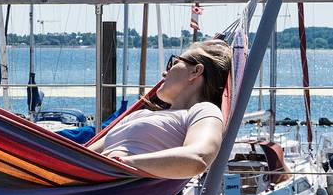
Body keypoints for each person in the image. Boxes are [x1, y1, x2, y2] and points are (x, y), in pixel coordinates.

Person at [89, 38, 231, 179]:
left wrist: (122, 163)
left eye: (173, 63)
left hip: (111, 182)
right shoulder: (139, 115)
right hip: (86, 180)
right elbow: (82, 156)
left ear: (196, 71)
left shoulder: (203, 111)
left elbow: (198, 158)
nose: (164, 72)